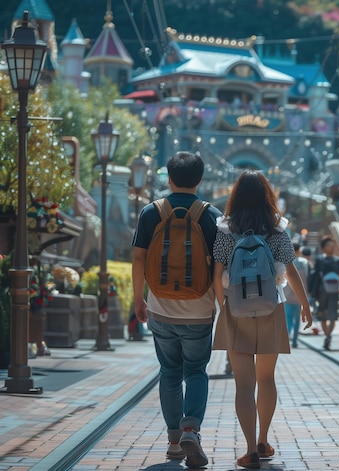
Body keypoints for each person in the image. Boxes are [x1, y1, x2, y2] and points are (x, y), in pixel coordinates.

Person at [212, 170, 312, 469]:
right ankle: (264, 440)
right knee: (266, 378)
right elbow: (290, 270)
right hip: (272, 307)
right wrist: (305, 305)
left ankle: (249, 451)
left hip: (236, 307)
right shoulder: (277, 228)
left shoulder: (226, 229)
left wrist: (223, 305)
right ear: (267, 195)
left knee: (244, 384)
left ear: (236, 195)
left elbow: (218, 274)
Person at [131, 151, 221, 468]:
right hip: (199, 310)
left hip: (159, 307)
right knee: (196, 371)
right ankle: (190, 429)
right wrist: (223, 308)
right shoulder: (212, 216)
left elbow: (139, 259)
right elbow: (220, 270)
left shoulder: (150, 213)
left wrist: (137, 300)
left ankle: (172, 443)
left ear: (168, 178)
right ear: (200, 179)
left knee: (169, 372)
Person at [312, 235, 339, 350]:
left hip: (330, 291)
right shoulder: (331, 260)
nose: (331, 248)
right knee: (324, 315)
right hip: (325, 291)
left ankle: (328, 336)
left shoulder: (334, 261)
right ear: (323, 248)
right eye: (329, 246)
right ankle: (328, 336)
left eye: (332, 246)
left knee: (330, 315)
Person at [283, 242, 310, 348]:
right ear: (299, 251)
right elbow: (306, 279)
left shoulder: (285, 262)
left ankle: (287, 338)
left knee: (288, 318)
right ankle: (294, 340)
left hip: (287, 295)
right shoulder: (303, 263)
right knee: (297, 319)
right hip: (299, 296)